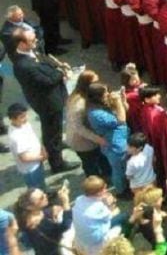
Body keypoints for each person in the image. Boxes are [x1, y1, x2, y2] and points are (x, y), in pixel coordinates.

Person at [10, 27, 75, 173]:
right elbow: (46, 81)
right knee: (51, 132)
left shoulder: (31, 52)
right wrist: (62, 73)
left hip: (53, 97)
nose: (36, 41)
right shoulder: (23, 65)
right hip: (47, 103)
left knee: (55, 128)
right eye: (32, 40)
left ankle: (57, 144)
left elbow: (46, 63)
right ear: (21, 44)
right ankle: (57, 163)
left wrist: (57, 68)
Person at [84, 82, 129, 194]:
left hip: (120, 140)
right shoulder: (96, 113)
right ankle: (121, 191)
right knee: (118, 170)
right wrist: (118, 102)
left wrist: (122, 100)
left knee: (123, 167)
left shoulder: (102, 105)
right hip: (114, 146)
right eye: (105, 94)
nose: (108, 95)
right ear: (97, 97)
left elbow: (123, 110)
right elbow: (121, 119)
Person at [16, 182, 72, 255]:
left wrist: (51, 210)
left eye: (43, 193)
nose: (45, 196)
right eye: (41, 198)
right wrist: (65, 202)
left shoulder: (27, 216)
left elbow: (43, 212)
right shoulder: (37, 224)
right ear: (30, 207)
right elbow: (65, 226)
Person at [72, 176, 122, 255]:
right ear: (99, 192)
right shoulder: (99, 207)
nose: (106, 190)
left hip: (82, 239)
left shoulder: (79, 199)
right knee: (121, 217)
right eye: (104, 189)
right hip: (97, 242)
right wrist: (110, 204)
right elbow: (111, 215)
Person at [7, 102, 47, 188]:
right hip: (30, 168)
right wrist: (41, 157)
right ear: (13, 119)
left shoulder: (25, 124)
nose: (26, 119)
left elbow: (35, 138)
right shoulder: (15, 137)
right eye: (22, 117)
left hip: (37, 161)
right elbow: (24, 158)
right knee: (35, 187)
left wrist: (42, 149)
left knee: (41, 181)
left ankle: (45, 193)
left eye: (25, 115)